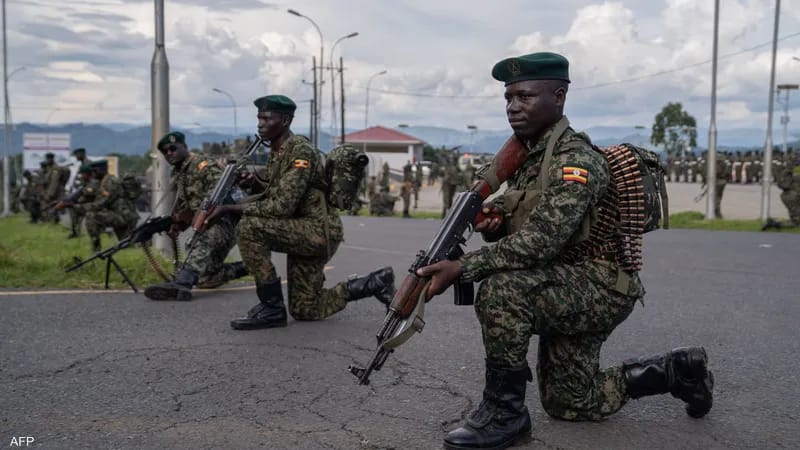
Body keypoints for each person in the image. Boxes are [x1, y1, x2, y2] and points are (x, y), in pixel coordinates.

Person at [416, 52, 714, 450]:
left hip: (601, 285)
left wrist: (462, 267)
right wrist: (497, 223)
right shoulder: (526, 157)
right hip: (564, 281)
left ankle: (505, 414)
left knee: (503, 291)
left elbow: (541, 241)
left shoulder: (575, 161)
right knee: (572, 402)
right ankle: (676, 372)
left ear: (558, 97)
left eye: (525, 96)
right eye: (508, 98)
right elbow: (527, 226)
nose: (513, 107)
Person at [207, 94, 395, 330]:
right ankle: (374, 283)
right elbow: (280, 192)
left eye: (267, 118)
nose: (260, 123)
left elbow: (281, 206)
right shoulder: (279, 152)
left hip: (317, 230)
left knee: (249, 227)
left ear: (285, 121)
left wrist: (229, 208)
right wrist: (253, 184)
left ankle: (272, 307)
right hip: (301, 229)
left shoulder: (300, 153)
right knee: (307, 309)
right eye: (259, 118)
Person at [143, 131, 249, 302]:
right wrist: (178, 224)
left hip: (225, 220)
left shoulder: (202, 165)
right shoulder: (180, 174)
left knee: (202, 241)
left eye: (173, 148)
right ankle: (249, 266)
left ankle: (182, 283)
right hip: (210, 221)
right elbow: (188, 207)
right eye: (165, 151)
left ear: (184, 147)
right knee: (206, 277)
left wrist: (204, 213)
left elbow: (220, 190)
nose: (169, 153)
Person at [74, 160, 139, 252]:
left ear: (100, 171)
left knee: (91, 216)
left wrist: (78, 207)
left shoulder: (110, 182)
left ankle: (96, 248)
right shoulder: (105, 181)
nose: (93, 174)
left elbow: (102, 203)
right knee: (127, 245)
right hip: (123, 215)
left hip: (123, 216)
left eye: (94, 171)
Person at [66, 148, 90, 238]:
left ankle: (76, 232)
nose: (76, 156)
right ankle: (75, 231)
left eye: (77, 154)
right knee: (72, 207)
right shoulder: (82, 164)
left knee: (75, 208)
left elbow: (88, 180)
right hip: (81, 191)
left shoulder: (88, 164)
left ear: (82, 154)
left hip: (87, 192)